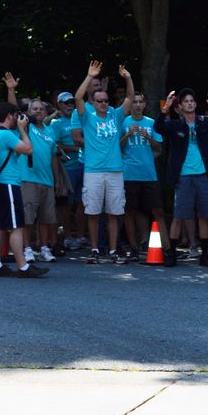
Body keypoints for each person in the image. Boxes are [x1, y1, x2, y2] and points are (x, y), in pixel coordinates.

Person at [157, 87, 208, 268]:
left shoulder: (204, 122)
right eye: (186, 102)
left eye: (192, 101)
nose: (189, 104)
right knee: (179, 216)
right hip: (183, 176)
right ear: (180, 106)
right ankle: (172, 254)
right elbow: (158, 127)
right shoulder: (175, 125)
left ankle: (204, 254)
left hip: (203, 176)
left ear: (195, 104)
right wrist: (165, 109)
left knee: (205, 215)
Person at [73, 62, 132, 264]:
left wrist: (128, 78)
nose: (104, 104)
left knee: (115, 212)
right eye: (100, 101)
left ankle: (114, 250)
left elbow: (130, 99)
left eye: (106, 101)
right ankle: (95, 249)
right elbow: (77, 98)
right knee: (93, 212)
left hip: (115, 171)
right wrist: (89, 77)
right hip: (93, 172)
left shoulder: (115, 116)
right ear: (94, 102)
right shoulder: (87, 117)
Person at [0, 103, 48, 279]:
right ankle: (23, 266)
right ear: (10, 116)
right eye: (15, 115)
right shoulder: (5, 134)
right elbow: (28, 150)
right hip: (9, 185)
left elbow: (13, 155)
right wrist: (23, 130)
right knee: (16, 227)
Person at [120, 91, 171, 264]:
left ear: (145, 104)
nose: (138, 105)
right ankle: (134, 249)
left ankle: (167, 249)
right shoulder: (123, 121)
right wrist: (128, 135)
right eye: (134, 102)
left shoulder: (151, 123)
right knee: (129, 212)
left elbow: (159, 149)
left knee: (158, 211)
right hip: (129, 174)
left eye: (141, 102)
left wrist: (148, 137)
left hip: (149, 174)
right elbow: (117, 147)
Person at [20, 99, 59, 264]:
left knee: (46, 218)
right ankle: (27, 249)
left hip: (47, 181)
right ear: (28, 112)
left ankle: (44, 248)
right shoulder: (26, 128)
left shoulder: (51, 131)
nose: (38, 111)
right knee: (28, 217)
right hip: (29, 179)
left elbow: (54, 158)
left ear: (46, 112)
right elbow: (14, 108)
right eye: (34, 109)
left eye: (41, 109)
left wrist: (57, 181)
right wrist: (10, 89)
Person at [49, 92, 85, 250]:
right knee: (65, 205)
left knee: (83, 203)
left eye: (71, 101)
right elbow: (55, 147)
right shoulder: (56, 123)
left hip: (84, 166)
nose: (69, 104)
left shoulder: (80, 119)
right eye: (65, 102)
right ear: (59, 105)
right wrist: (75, 148)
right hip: (67, 169)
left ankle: (81, 237)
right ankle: (68, 237)